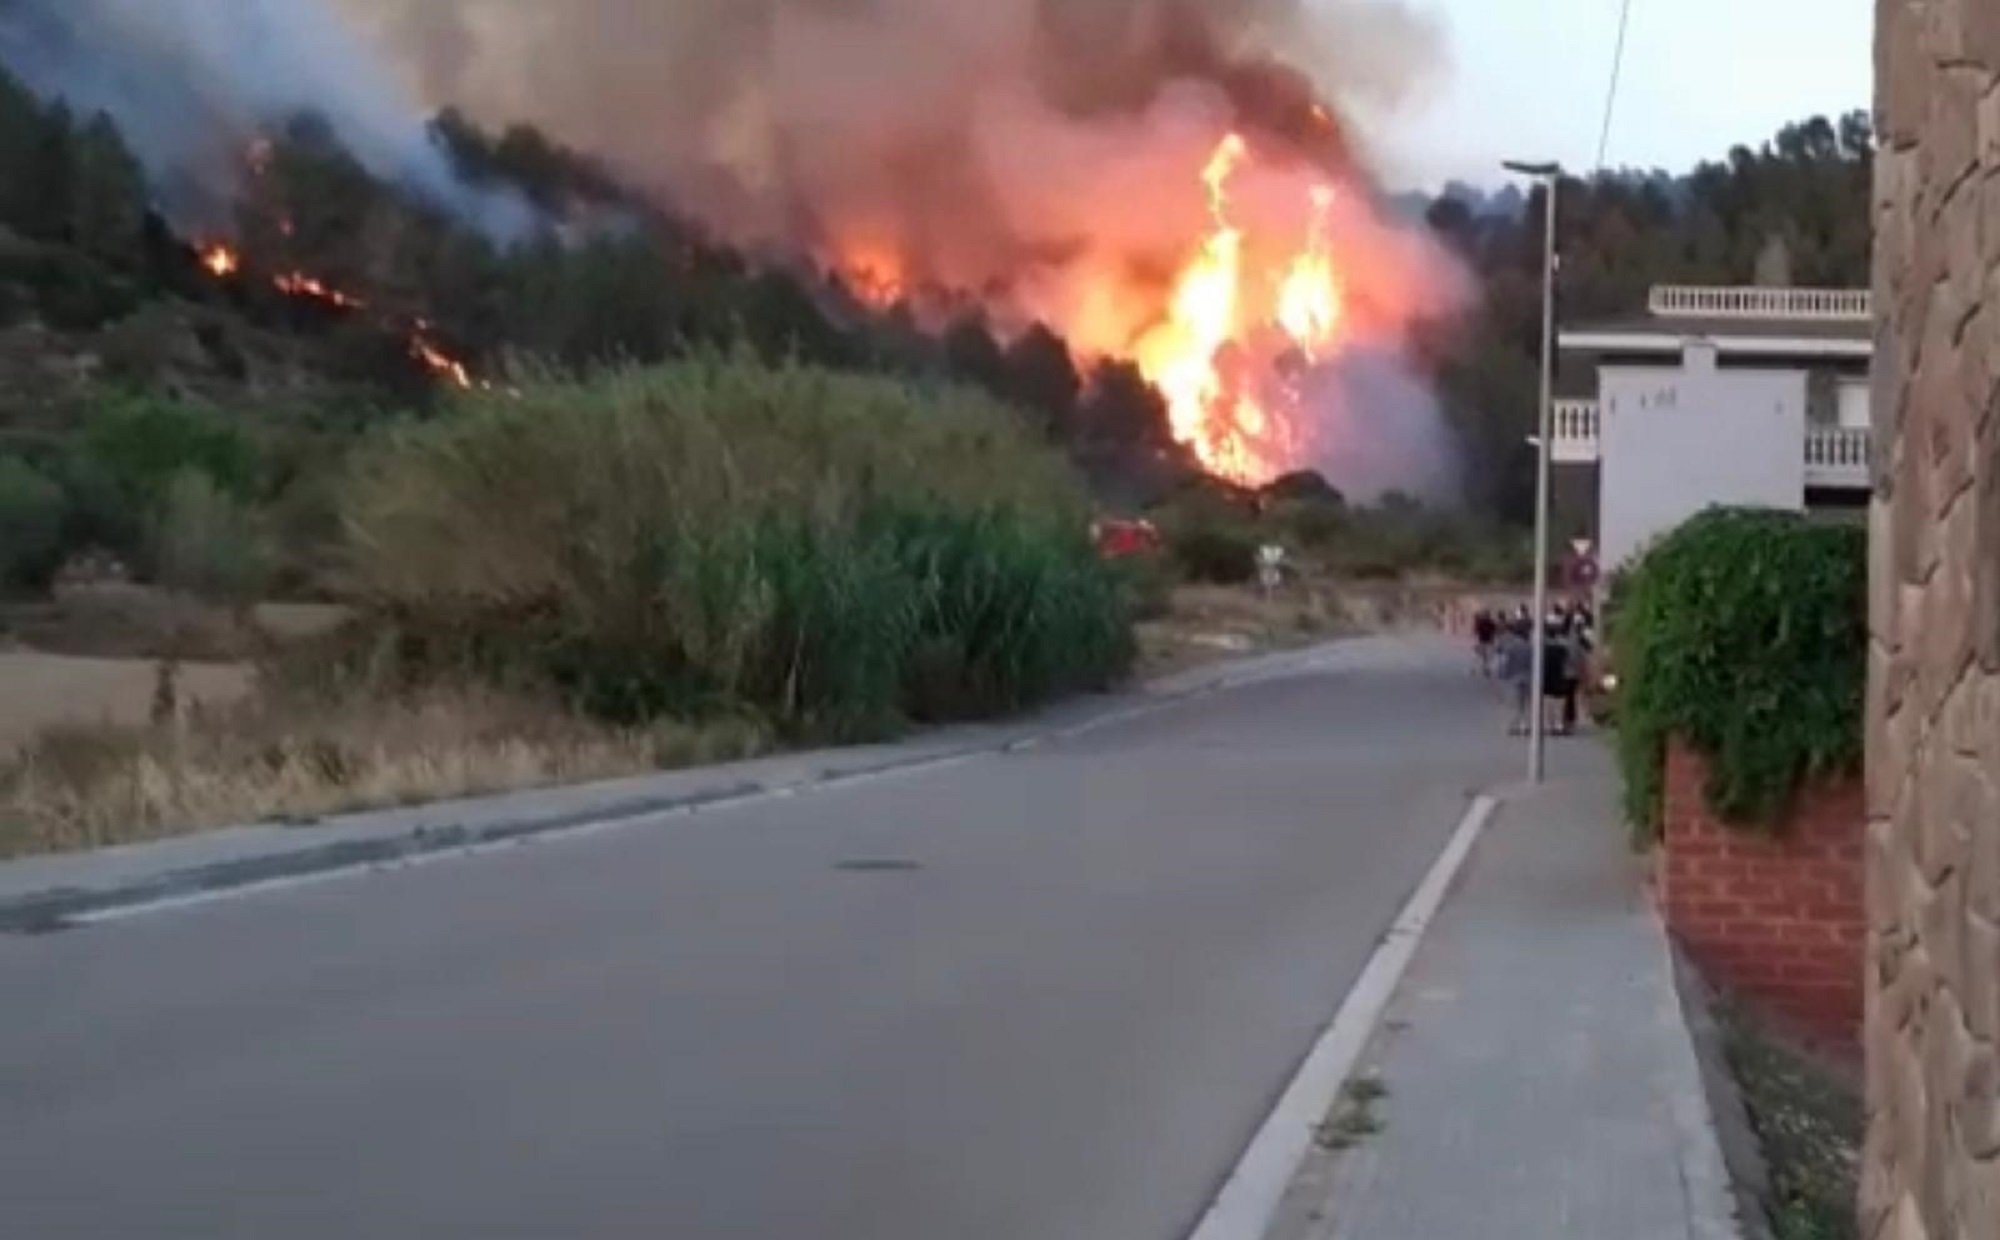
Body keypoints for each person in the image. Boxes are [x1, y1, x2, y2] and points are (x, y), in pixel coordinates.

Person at [1496, 618, 1533, 735]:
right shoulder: (1530, 646)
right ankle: (1525, 725)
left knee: (1515, 703)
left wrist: (1502, 675)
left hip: (1513, 677)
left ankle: (1513, 726)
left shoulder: (1510, 646)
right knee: (1526, 702)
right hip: (1527, 677)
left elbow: (1505, 662)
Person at [1472, 608, 1498, 676]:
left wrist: (1493, 640)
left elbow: (1494, 632)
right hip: (1483, 641)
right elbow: (1476, 632)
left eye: (1486, 614)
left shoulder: (1490, 622)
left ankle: (1485, 669)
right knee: (1483, 656)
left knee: (1486, 657)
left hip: (1487, 641)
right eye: (1484, 615)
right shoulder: (1483, 622)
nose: (1485, 616)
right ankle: (1484, 669)